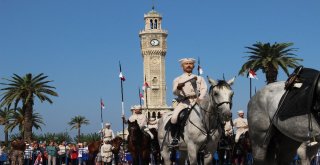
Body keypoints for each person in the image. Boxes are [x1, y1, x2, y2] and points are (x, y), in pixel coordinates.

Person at [170, 58, 208, 146]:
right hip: (184, 102)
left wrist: (201, 98)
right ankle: (174, 137)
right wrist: (178, 88)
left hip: (198, 101)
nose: (188, 65)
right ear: (182, 66)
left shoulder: (199, 78)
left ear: (193, 66)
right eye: (186, 64)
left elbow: (204, 89)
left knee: (210, 115)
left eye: (190, 64)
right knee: (174, 118)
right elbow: (175, 92)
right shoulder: (178, 79)